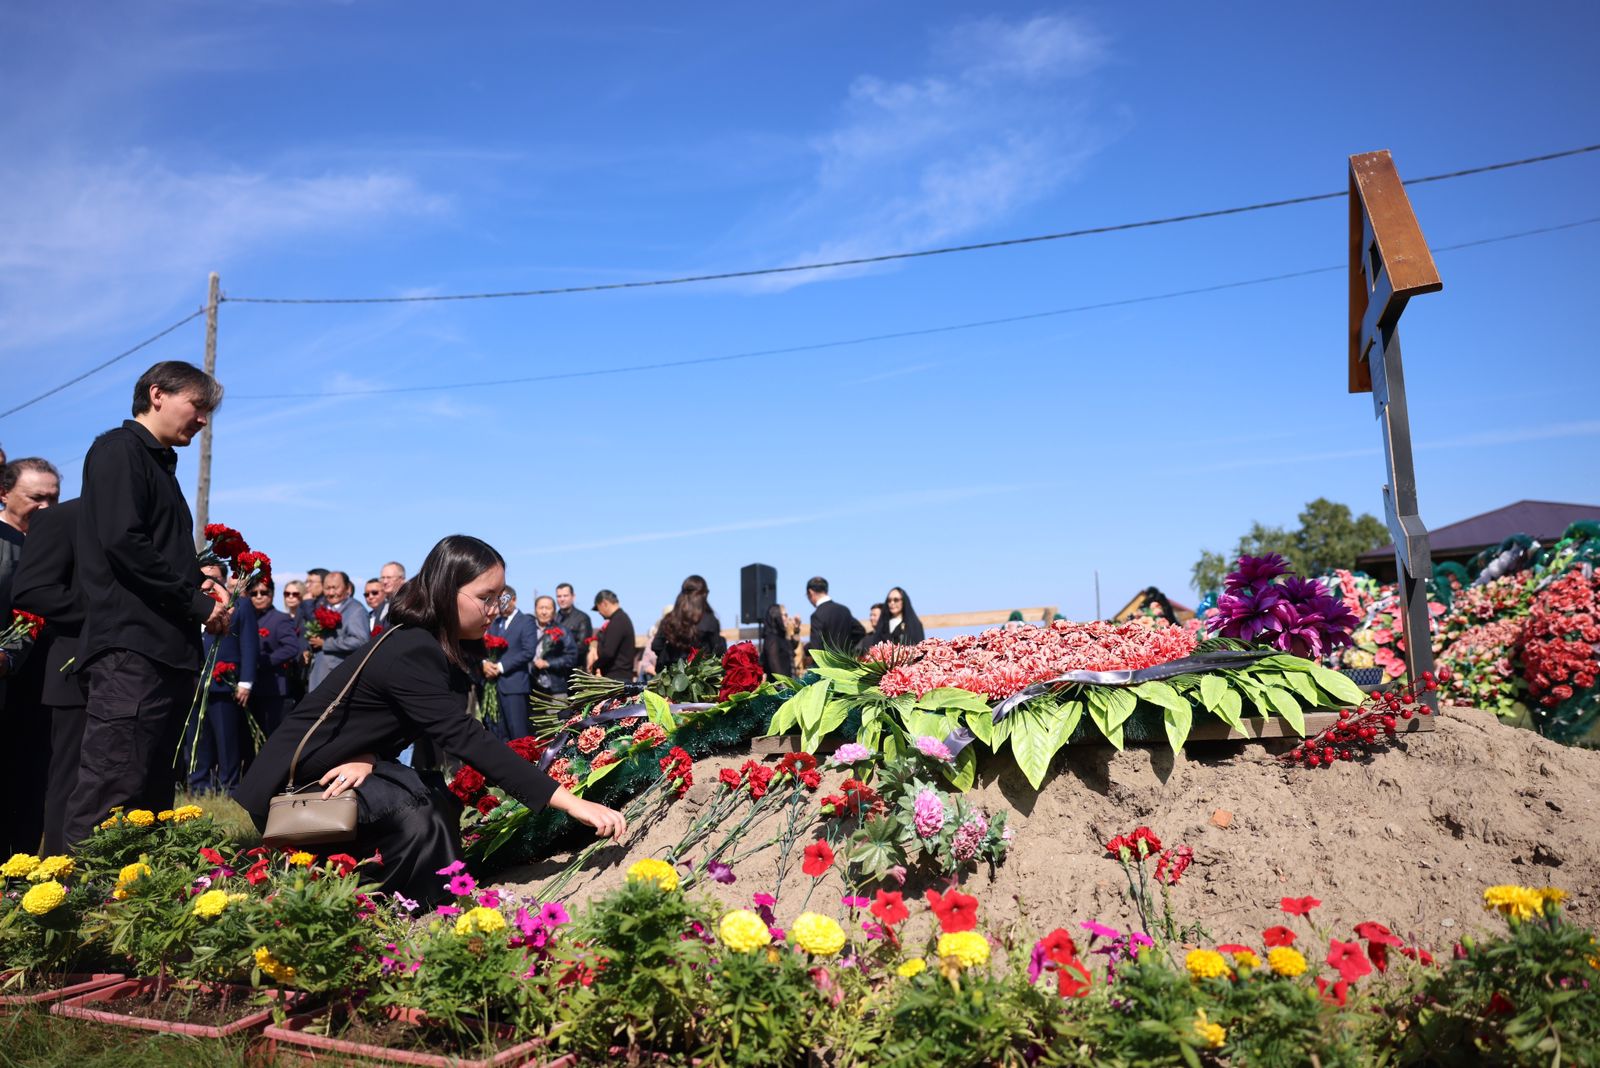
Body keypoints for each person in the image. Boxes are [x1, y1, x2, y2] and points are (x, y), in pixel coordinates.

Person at [233, 535, 627, 904]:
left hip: (332, 769)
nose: (495, 609)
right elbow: (467, 738)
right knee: (416, 812)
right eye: (484, 597)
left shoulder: (433, 644)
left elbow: (381, 719)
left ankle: (432, 896)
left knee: (435, 799)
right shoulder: (413, 649)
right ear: (444, 591)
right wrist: (571, 803)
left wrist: (368, 754)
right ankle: (378, 905)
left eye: (500, 597)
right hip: (295, 789)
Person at [64, 360, 230, 846]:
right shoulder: (119, 451)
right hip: (131, 653)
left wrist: (203, 581)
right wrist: (197, 606)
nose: (202, 421)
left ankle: (135, 903)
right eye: (197, 407)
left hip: (163, 652)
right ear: (157, 394)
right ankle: (70, 904)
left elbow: (158, 551)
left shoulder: (160, 464)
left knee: (151, 793)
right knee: (111, 788)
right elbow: (125, 543)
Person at [8, 498, 87, 854]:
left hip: (52, 672)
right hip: (21, 671)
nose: (45, 504)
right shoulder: (17, 538)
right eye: (35, 496)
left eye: (52, 496)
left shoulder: (73, 528)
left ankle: (31, 856)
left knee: (45, 773)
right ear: (5, 493)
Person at [181, 561, 258, 793]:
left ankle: (230, 787)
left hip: (225, 683)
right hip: (195, 683)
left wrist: (245, 681)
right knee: (196, 740)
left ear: (224, 580)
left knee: (227, 740)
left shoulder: (241, 605)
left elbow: (249, 644)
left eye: (213, 577)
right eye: (203, 576)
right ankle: (198, 787)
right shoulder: (189, 604)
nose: (207, 582)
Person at [482, 586, 538, 739]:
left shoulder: (526, 621)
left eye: (504, 600)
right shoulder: (495, 622)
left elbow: (528, 652)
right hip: (493, 685)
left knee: (518, 732)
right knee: (498, 731)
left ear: (514, 599)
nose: (501, 604)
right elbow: (484, 647)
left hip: (514, 685)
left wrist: (500, 667)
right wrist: (485, 663)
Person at [250, 576, 301, 738]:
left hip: (273, 688)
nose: (258, 596)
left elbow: (291, 647)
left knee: (271, 735)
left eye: (263, 592)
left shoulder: (280, 619)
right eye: (254, 593)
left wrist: (264, 661)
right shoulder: (248, 617)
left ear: (271, 594)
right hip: (251, 687)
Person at [308, 570, 370, 689]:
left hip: (338, 675)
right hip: (319, 672)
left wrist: (326, 643)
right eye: (327, 588)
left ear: (347, 588)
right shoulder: (323, 607)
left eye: (335, 588)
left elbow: (361, 641)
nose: (331, 593)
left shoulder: (356, 611)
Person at [651, 574, 727, 669]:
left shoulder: (669, 619)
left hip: (673, 676)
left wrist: (669, 656)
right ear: (704, 594)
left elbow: (656, 646)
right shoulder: (710, 621)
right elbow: (718, 651)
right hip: (701, 678)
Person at [804, 576, 863, 662]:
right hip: (847, 664)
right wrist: (846, 647)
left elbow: (815, 648)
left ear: (810, 592)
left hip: (828, 667)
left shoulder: (817, 615)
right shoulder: (844, 610)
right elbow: (860, 631)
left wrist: (806, 648)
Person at [530, 594, 578, 697]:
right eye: (540, 608)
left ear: (554, 611)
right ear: (535, 610)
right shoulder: (527, 630)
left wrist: (548, 663)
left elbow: (571, 657)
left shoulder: (562, 632)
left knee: (556, 713)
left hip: (555, 688)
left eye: (547, 608)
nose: (543, 612)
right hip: (530, 688)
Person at [588, 589, 636, 683]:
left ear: (604, 603)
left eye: (598, 608)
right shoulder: (620, 619)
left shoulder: (618, 621)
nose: (599, 613)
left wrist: (595, 666)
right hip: (619, 677)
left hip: (617, 678)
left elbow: (608, 652)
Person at [553, 583, 593, 685]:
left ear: (573, 596)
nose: (562, 599)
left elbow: (582, 646)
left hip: (576, 674)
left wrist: (562, 657)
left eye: (565, 596)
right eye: (559, 596)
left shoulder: (582, 618)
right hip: (555, 674)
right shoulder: (553, 619)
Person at [760, 602, 796, 679]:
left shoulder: (781, 637)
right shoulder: (771, 639)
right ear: (777, 616)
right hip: (779, 687)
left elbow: (793, 647)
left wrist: (796, 630)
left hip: (787, 683)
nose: (787, 618)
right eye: (785, 615)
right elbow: (774, 663)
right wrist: (783, 685)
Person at [374, 561, 405, 630]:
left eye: (389, 577)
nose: (385, 581)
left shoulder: (406, 604)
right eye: (382, 578)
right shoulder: (381, 605)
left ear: (401, 579)